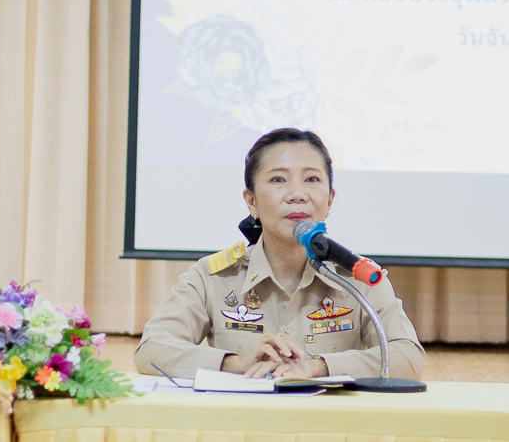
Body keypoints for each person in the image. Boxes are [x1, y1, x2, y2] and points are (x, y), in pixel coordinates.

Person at [136, 127, 426, 381]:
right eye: (278, 179)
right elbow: (152, 348)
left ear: (330, 200)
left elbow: (408, 356)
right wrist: (237, 364)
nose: (297, 194)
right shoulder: (212, 277)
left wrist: (319, 367)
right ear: (252, 202)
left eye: (311, 179)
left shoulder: (356, 276)